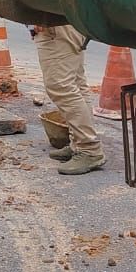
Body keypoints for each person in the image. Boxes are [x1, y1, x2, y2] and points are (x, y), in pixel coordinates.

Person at [30, 25, 105, 174]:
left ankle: (89, 149)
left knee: (61, 86)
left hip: (56, 26)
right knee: (76, 84)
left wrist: (41, 15)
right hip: (65, 25)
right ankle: (79, 144)